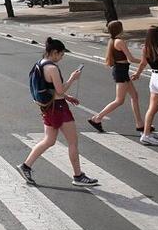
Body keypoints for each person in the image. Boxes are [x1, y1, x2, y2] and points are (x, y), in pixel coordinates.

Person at [18, 38, 99, 187]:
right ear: (55, 53)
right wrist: (72, 79)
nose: (61, 58)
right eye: (61, 55)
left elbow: (51, 89)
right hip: (59, 108)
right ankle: (78, 176)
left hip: (48, 107)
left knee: (49, 140)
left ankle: (26, 165)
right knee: (73, 142)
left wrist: (67, 97)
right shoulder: (52, 68)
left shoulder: (40, 63)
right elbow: (60, 90)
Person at [88, 20, 146, 133]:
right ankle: (97, 118)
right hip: (120, 71)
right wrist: (145, 61)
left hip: (122, 70)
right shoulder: (119, 41)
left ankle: (140, 124)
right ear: (119, 29)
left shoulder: (113, 40)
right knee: (119, 100)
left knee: (134, 96)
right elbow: (131, 59)